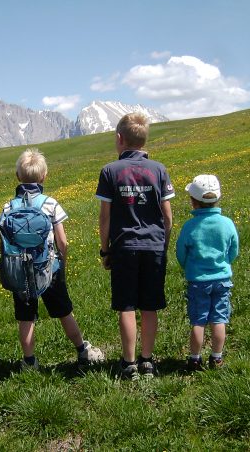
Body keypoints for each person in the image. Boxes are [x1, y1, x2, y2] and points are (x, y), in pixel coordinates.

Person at [0, 148, 104, 370]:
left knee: (26, 318)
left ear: (18, 176)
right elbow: (62, 241)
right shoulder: (50, 203)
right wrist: (62, 261)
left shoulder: (8, 206)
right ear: (44, 176)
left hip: (19, 270)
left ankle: (29, 361)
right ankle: (82, 350)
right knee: (64, 311)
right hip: (49, 268)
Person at [96, 113, 174, 379]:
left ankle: (128, 364)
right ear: (144, 140)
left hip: (124, 247)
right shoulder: (159, 169)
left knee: (127, 305)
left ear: (120, 139)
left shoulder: (110, 171)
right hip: (154, 246)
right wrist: (163, 244)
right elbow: (168, 216)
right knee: (150, 305)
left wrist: (105, 249)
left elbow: (105, 216)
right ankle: (147, 360)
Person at [176, 174, 239, 371]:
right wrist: (225, 262)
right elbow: (233, 249)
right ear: (218, 199)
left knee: (199, 321)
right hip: (222, 279)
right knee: (219, 319)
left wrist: (188, 266)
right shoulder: (227, 223)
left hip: (197, 281)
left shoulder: (189, 226)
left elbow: (181, 253)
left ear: (193, 201)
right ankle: (217, 358)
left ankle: (195, 359)